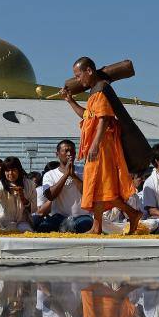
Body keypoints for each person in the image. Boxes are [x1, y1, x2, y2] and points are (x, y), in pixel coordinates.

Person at [61, 57, 140, 234]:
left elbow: (104, 118)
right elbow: (88, 117)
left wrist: (95, 144)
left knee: (99, 183)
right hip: (97, 146)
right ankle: (124, 216)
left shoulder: (101, 90)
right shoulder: (93, 94)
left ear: (89, 71)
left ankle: (105, 223)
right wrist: (70, 100)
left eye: (79, 75)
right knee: (99, 186)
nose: (78, 80)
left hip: (103, 146)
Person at [36, 140, 90, 233]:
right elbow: (50, 196)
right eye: (66, 151)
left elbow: (87, 194)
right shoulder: (49, 175)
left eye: (72, 151)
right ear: (57, 154)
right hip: (59, 217)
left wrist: (73, 175)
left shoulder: (84, 171)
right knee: (43, 228)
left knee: (85, 225)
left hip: (82, 216)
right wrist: (65, 175)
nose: (69, 154)